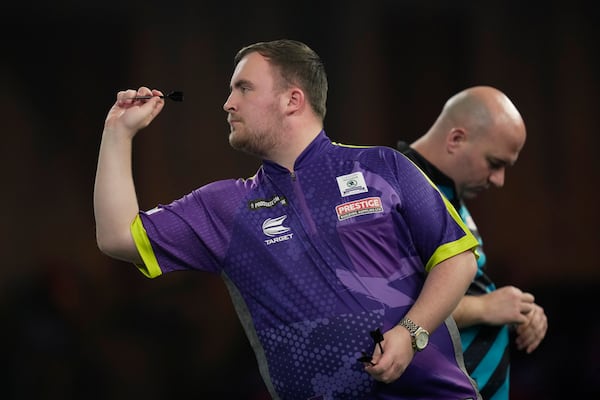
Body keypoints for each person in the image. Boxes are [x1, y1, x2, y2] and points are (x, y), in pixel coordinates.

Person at [94, 39, 482, 399]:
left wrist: (411, 334)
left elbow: (457, 258)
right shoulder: (226, 207)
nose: (228, 103)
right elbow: (117, 238)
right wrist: (117, 132)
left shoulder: (383, 166)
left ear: (292, 99)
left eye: (243, 88)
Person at [397, 86, 548, 400]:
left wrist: (518, 313)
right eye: (494, 163)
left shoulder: (445, 192)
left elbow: (456, 291)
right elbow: (390, 308)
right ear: (456, 139)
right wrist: (484, 308)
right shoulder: (397, 190)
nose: (499, 180)